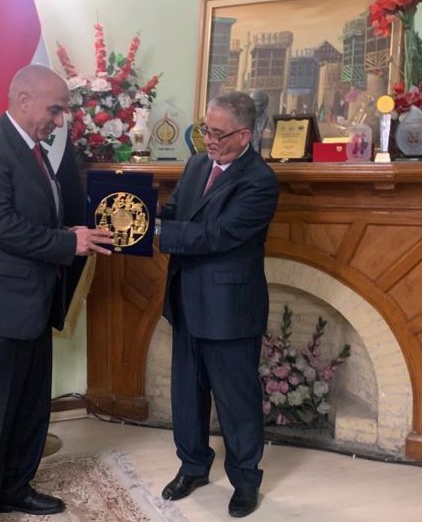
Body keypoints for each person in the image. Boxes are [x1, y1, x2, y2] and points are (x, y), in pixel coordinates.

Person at [0, 64, 112, 522]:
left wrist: (69, 232)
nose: (60, 120)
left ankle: (14, 489)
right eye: (55, 110)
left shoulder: (34, 152)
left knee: (27, 409)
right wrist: (66, 244)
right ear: (23, 100)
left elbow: (33, 217)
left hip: (31, 305)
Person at [157, 90, 279, 518]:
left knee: (236, 402)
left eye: (217, 133)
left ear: (244, 135)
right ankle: (192, 467)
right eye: (205, 130)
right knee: (187, 396)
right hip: (186, 300)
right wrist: (135, 215)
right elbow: (176, 212)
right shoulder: (196, 164)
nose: (208, 140)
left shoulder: (259, 181)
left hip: (229, 309)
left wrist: (158, 235)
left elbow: (218, 235)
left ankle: (245, 480)